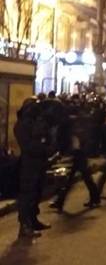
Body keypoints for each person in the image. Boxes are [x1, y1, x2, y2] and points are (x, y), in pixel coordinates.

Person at [49, 99, 100, 212]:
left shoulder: (74, 123)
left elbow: (69, 138)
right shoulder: (80, 122)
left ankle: (61, 202)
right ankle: (61, 201)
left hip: (77, 153)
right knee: (78, 178)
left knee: (77, 178)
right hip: (77, 153)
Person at [14, 98, 54, 239]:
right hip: (29, 164)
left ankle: (33, 220)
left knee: (37, 193)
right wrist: (43, 147)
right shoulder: (22, 125)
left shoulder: (38, 122)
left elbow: (47, 138)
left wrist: (45, 145)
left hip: (40, 163)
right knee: (27, 195)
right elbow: (29, 146)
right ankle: (24, 225)